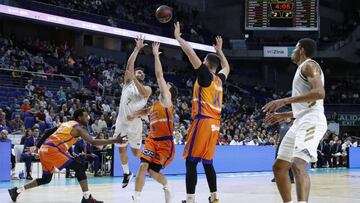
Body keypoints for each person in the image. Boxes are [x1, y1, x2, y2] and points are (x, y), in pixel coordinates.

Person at [8, 109, 127, 203]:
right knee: (80, 167)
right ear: (79, 117)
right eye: (86, 116)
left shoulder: (66, 124)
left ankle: (17, 191)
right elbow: (93, 142)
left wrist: (38, 147)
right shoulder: (78, 128)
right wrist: (115, 140)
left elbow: (47, 132)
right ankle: (86, 198)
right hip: (52, 150)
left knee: (46, 179)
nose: (88, 117)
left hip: (45, 149)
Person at [263, 38, 327, 203]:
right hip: (300, 120)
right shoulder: (301, 69)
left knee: (298, 164)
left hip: (312, 120)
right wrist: (283, 115)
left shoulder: (309, 65)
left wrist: (283, 101)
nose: (292, 51)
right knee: (279, 167)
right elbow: (304, 107)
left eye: (295, 48)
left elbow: (320, 93)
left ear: (302, 50)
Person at [174, 22, 230, 203]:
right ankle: (214, 197)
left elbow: (190, 54)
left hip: (203, 121)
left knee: (191, 162)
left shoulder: (205, 75)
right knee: (207, 163)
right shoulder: (219, 80)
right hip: (215, 125)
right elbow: (227, 68)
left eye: (203, 62)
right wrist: (220, 52)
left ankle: (190, 200)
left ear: (206, 64)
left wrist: (178, 38)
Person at [128, 42, 178, 203]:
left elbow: (159, 75)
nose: (164, 86)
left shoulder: (167, 101)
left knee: (154, 172)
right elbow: (145, 112)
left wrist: (156, 55)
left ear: (169, 93)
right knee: (143, 166)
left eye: (167, 86)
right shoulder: (156, 104)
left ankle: (167, 185)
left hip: (165, 144)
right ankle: (136, 198)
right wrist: (133, 115)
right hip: (151, 140)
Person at [113, 35, 152, 188]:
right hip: (122, 123)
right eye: (137, 72)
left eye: (141, 73)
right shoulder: (127, 83)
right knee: (121, 151)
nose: (139, 72)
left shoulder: (147, 89)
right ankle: (126, 173)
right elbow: (130, 64)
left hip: (135, 125)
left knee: (136, 153)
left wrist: (134, 77)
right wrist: (137, 49)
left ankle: (148, 167)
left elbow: (143, 93)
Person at [271, 119, 294, 183]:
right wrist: (275, 143)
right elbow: (277, 134)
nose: (286, 117)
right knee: (277, 159)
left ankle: (291, 178)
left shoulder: (294, 124)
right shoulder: (281, 124)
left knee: (289, 160)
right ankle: (276, 177)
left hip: (290, 144)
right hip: (280, 144)